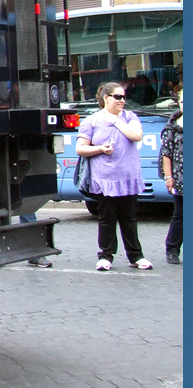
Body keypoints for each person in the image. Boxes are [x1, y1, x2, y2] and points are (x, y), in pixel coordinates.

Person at [76, 81, 153, 271]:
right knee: (107, 218)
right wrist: (101, 149)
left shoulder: (129, 116)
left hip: (128, 177)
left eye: (124, 97)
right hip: (104, 178)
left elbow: (136, 136)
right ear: (106, 98)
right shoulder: (92, 120)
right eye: (117, 97)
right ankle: (105, 256)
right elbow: (80, 148)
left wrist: (117, 121)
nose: (122, 100)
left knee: (129, 217)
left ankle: (136, 256)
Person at [159, 88, 183, 264]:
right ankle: (172, 249)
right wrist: (169, 177)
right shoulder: (172, 127)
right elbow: (166, 154)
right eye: (183, 101)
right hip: (181, 178)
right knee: (180, 214)